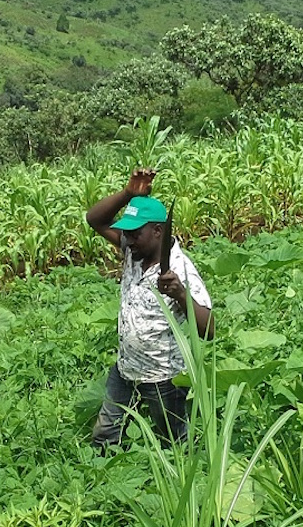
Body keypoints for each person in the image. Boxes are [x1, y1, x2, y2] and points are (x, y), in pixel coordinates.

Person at [85, 168, 214, 451]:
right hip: (126, 367)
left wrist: (180, 294)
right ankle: (101, 481)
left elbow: (210, 329)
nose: (127, 240)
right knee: (105, 436)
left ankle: (185, 485)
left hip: (163, 377)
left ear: (158, 231)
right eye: (126, 234)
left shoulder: (181, 269)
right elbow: (94, 219)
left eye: (134, 234)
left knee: (176, 442)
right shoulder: (133, 251)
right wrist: (128, 195)